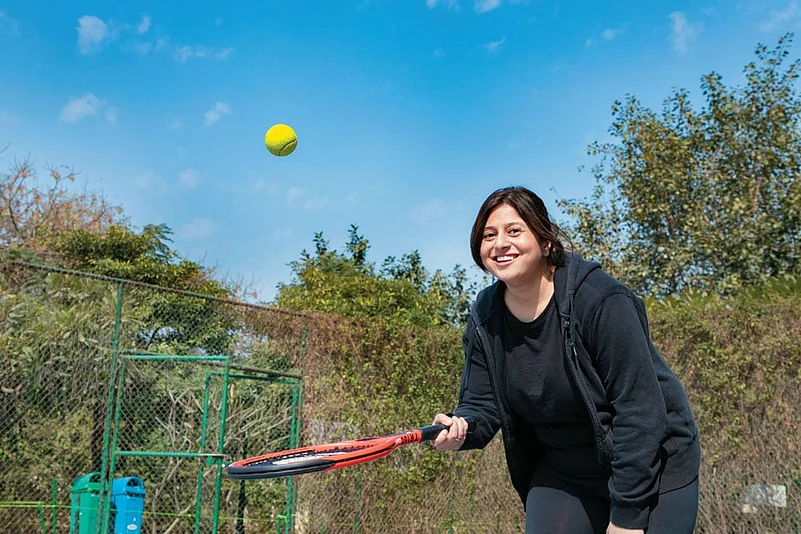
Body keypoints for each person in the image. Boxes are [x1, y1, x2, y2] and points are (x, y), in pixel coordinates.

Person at [432, 186, 701, 534]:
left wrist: (627, 518)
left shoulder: (600, 300)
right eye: (489, 234)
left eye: (514, 231)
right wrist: (463, 427)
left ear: (545, 242)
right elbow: (482, 402)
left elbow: (640, 410)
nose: (500, 243)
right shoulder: (485, 315)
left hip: (653, 462)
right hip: (565, 469)